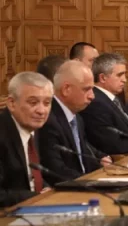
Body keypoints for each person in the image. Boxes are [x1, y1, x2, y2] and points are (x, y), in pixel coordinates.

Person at [37, 61, 111, 184]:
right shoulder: (48, 120)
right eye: (86, 89)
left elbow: (84, 158)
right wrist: (93, 182)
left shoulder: (77, 118)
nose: (92, 96)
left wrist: (107, 173)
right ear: (66, 89)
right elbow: (56, 171)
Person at [0, 72, 53, 207]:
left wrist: (47, 190)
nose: (41, 111)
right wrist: (37, 196)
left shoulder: (33, 128)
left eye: (47, 103)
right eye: (33, 103)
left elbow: (33, 178)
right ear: (12, 103)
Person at [80, 53, 128, 155]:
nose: (125, 80)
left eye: (124, 74)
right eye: (119, 75)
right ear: (103, 78)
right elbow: (111, 144)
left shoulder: (113, 98)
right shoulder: (96, 103)